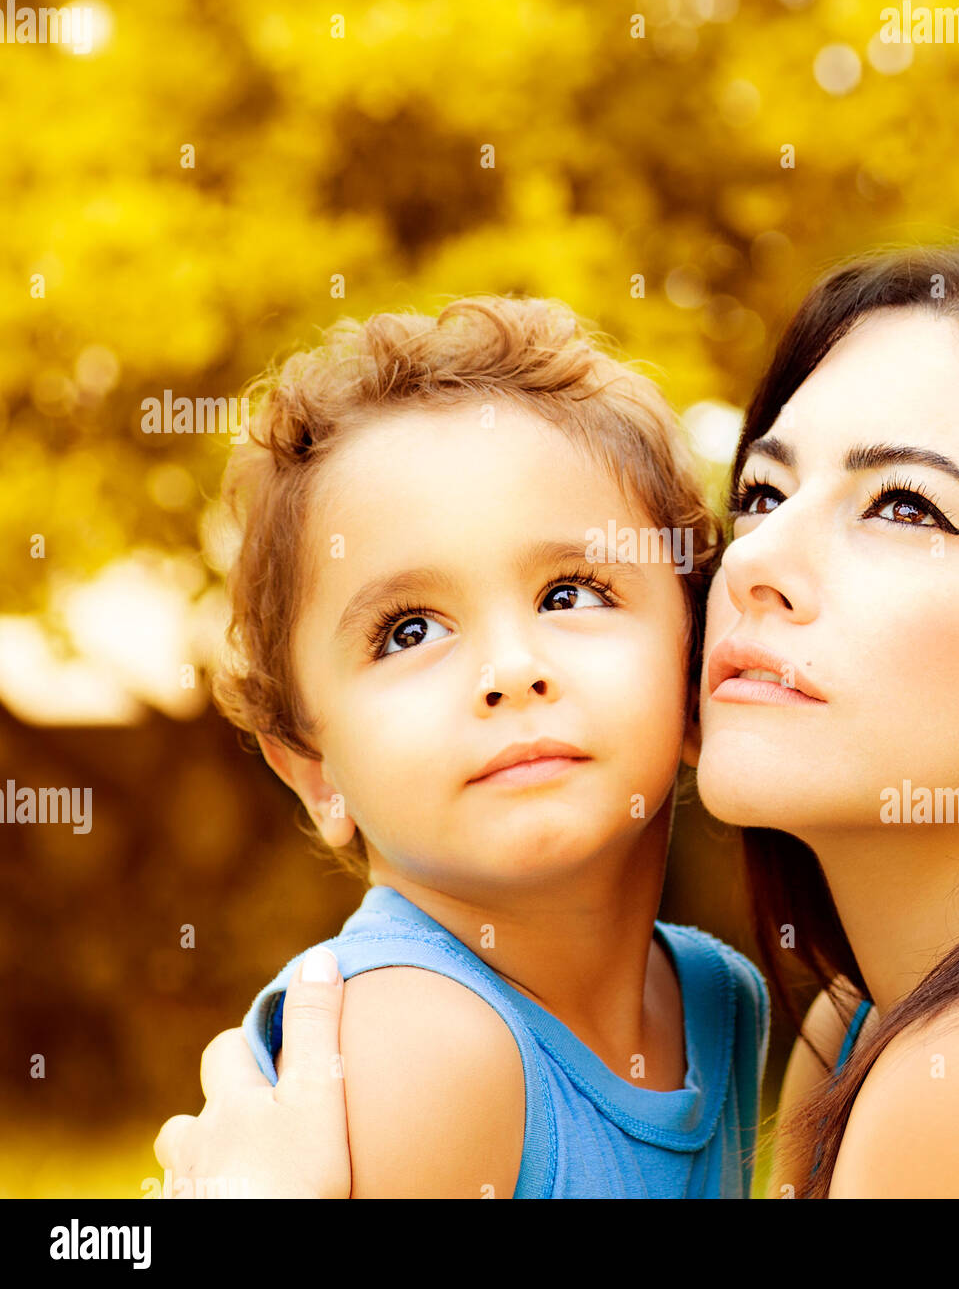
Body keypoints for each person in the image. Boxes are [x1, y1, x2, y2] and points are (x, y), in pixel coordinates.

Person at [158, 236, 959, 1198]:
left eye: (902, 505)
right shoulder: (851, 1028)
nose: (755, 563)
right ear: (309, 764)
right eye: (762, 494)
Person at [158, 295, 767, 1198]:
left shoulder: (719, 1002)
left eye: (570, 594)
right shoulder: (420, 1043)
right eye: (408, 631)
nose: (510, 669)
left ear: (691, 675)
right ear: (319, 775)